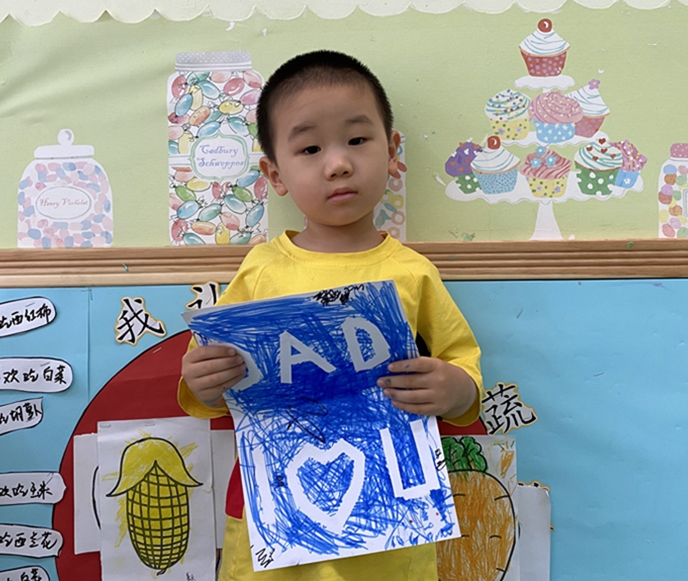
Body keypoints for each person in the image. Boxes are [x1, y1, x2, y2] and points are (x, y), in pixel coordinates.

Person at [178, 50, 483, 580]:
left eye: (358, 140)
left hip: (391, 527)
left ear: (392, 152)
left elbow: (463, 364)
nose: (338, 163)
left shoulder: (411, 273)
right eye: (310, 148)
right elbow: (209, 377)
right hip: (275, 520)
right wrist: (203, 381)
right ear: (275, 174)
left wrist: (454, 389)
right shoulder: (261, 270)